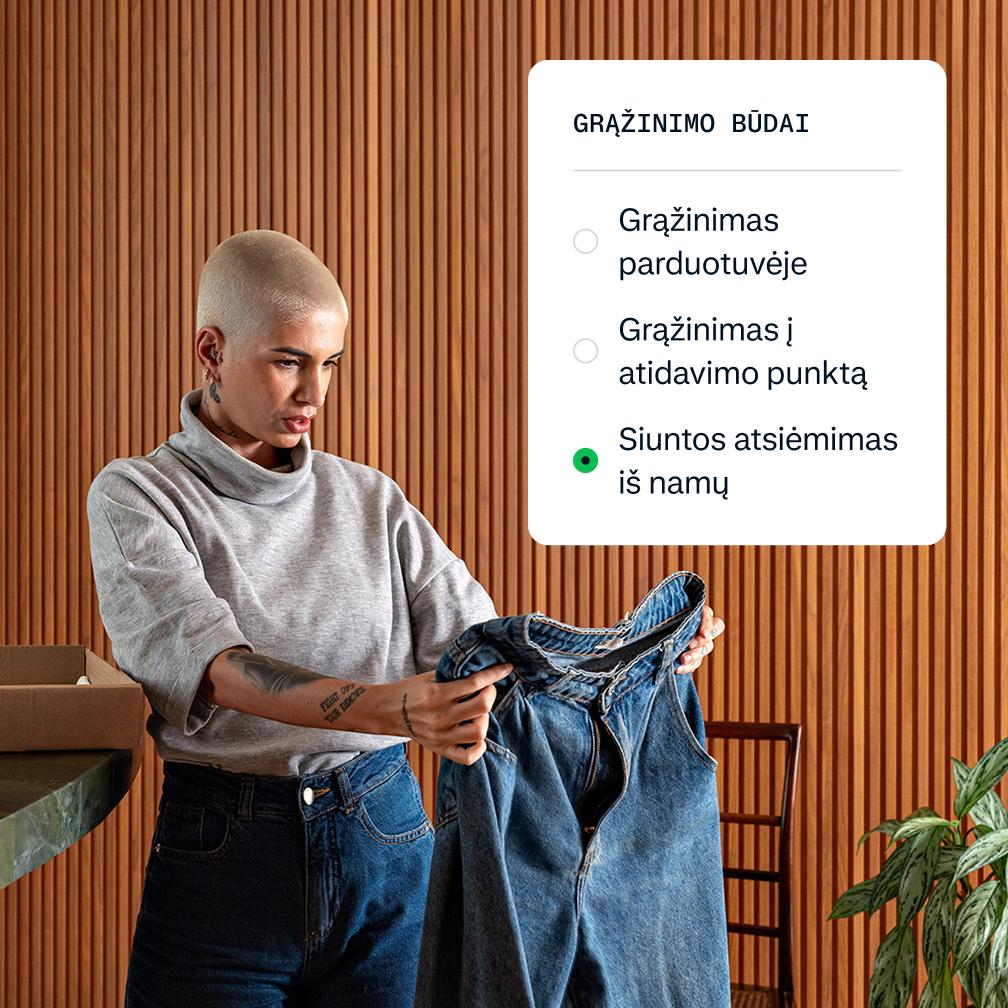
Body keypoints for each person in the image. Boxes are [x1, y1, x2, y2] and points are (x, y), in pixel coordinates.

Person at [86, 229, 724, 1007]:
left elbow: (492, 653)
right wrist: (395, 708)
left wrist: (637, 656)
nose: (313, 394)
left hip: (387, 846)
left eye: (329, 364)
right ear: (211, 350)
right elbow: (217, 671)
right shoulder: (137, 496)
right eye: (288, 361)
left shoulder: (371, 499)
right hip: (223, 871)